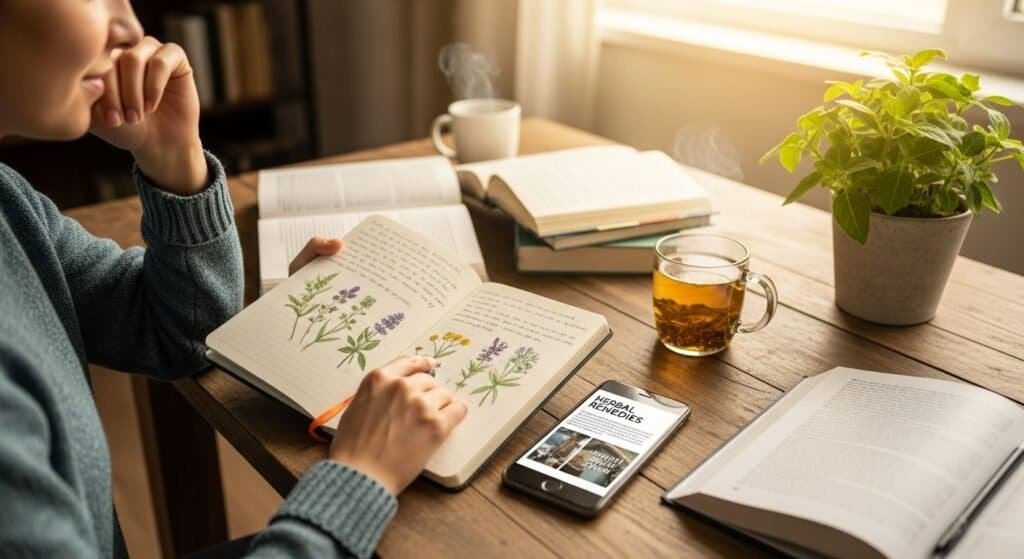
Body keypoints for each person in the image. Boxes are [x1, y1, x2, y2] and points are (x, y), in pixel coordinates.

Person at [0, 1, 467, 557]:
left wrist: (173, 153)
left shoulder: (8, 202)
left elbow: (180, 332)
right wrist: (359, 478)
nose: (128, 28)